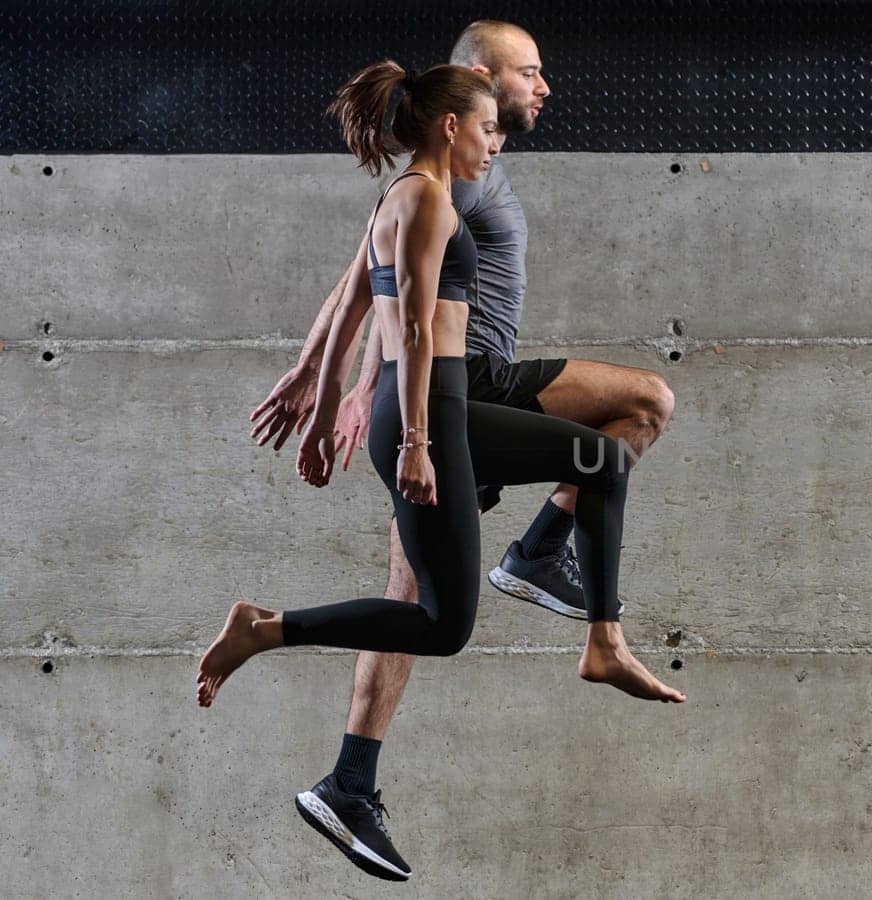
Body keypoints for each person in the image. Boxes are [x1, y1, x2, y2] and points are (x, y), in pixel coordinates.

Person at [198, 57, 684, 881]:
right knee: (467, 595)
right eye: (490, 128)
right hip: (434, 414)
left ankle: (594, 634)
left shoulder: (397, 196)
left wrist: (324, 418)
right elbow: (414, 329)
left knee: (478, 590)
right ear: (452, 125)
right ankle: (272, 630)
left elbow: (363, 307)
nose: (497, 145)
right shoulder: (424, 197)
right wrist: (417, 441)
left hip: (439, 413)